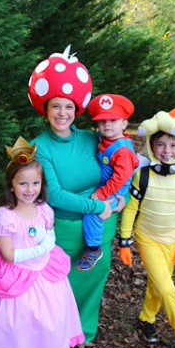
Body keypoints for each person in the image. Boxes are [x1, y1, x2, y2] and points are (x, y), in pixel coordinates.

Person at [28, 46, 123, 342]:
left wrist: (122, 200)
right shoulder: (39, 146)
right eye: (56, 106)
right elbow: (53, 194)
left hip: (101, 228)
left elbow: (119, 169)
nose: (62, 113)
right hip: (65, 230)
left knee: (93, 282)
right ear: (46, 108)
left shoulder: (90, 137)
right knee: (60, 287)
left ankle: (84, 331)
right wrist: (98, 207)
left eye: (68, 107)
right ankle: (56, 337)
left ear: (76, 110)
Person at [0, 137, 84, 348]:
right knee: (15, 321)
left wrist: (48, 241)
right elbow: (9, 255)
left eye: (35, 183)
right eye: (23, 184)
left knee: (48, 316)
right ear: (11, 185)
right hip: (14, 274)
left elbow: (49, 233)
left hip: (44, 271)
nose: (30, 190)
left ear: (41, 184)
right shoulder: (5, 216)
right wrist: (42, 248)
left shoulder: (44, 210)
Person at [118, 106, 175, 348]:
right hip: (148, 238)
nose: (167, 151)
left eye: (172, 145)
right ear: (152, 146)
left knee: (158, 285)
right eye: (161, 145)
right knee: (167, 289)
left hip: (173, 239)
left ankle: (147, 319)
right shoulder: (141, 176)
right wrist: (125, 241)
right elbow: (130, 210)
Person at [77, 94, 140, 271]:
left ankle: (93, 249)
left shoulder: (123, 151)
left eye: (113, 120)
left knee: (94, 210)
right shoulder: (105, 139)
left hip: (115, 190)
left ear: (124, 124)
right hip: (104, 185)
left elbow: (120, 179)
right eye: (102, 121)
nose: (107, 125)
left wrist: (102, 195)